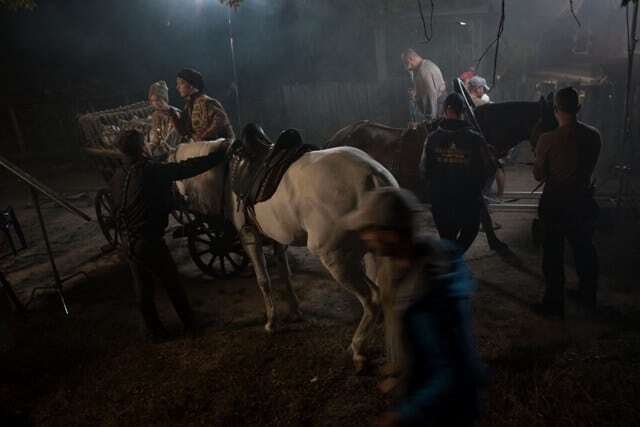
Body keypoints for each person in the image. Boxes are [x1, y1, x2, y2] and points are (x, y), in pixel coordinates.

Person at [339, 188, 485, 427]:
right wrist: (401, 367)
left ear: (390, 234)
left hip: (445, 412)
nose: (363, 237)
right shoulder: (403, 263)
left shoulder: (427, 296)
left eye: (368, 230)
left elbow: (451, 372)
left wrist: (402, 414)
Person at [111, 129, 227, 341]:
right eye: (145, 143)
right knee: (172, 283)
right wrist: (219, 155)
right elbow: (186, 168)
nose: (148, 146)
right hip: (148, 241)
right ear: (141, 148)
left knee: (143, 288)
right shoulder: (150, 170)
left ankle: (154, 331)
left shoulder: (119, 174)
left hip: (128, 240)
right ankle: (191, 324)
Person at [533, 87, 601, 318]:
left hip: (555, 203)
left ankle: (554, 303)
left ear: (555, 110)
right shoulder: (594, 136)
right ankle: (588, 294)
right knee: (584, 248)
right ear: (578, 108)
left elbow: (538, 175)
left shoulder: (547, 139)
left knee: (552, 253)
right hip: (581, 200)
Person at [420, 93, 497, 253]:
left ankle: (450, 262)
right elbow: (489, 169)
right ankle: (453, 261)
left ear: (447, 109)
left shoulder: (432, 138)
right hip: (468, 201)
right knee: (469, 232)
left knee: (447, 239)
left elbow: (423, 170)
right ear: (462, 111)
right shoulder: (475, 139)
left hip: (441, 202)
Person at [164, 68, 235, 142]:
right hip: (203, 147)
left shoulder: (207, 102)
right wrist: (173, 115)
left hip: (218, 147)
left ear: (191, 84)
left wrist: (202, 137)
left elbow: (220, 120)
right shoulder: (188, 107)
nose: (177, 87)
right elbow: (184, 132)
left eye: (181, 83)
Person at [402, 49, 447, 121]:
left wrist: (432, 119)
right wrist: (415, 93)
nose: (406, 67)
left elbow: (432, 95)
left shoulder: (424, 71)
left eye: (405, 63)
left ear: (411, 59)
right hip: (433, 104)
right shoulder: (421, 66)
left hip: (436, 106)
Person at [147, 80, 178, 156]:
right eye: (153, 101)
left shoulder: (174, 113)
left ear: (165, 99)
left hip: (175, 148)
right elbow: (156, 135)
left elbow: (174, 134)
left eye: (158, 100)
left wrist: (163, 146)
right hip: (162, 148)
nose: (156, 103)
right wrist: (152, 145)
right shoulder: (156, 115)